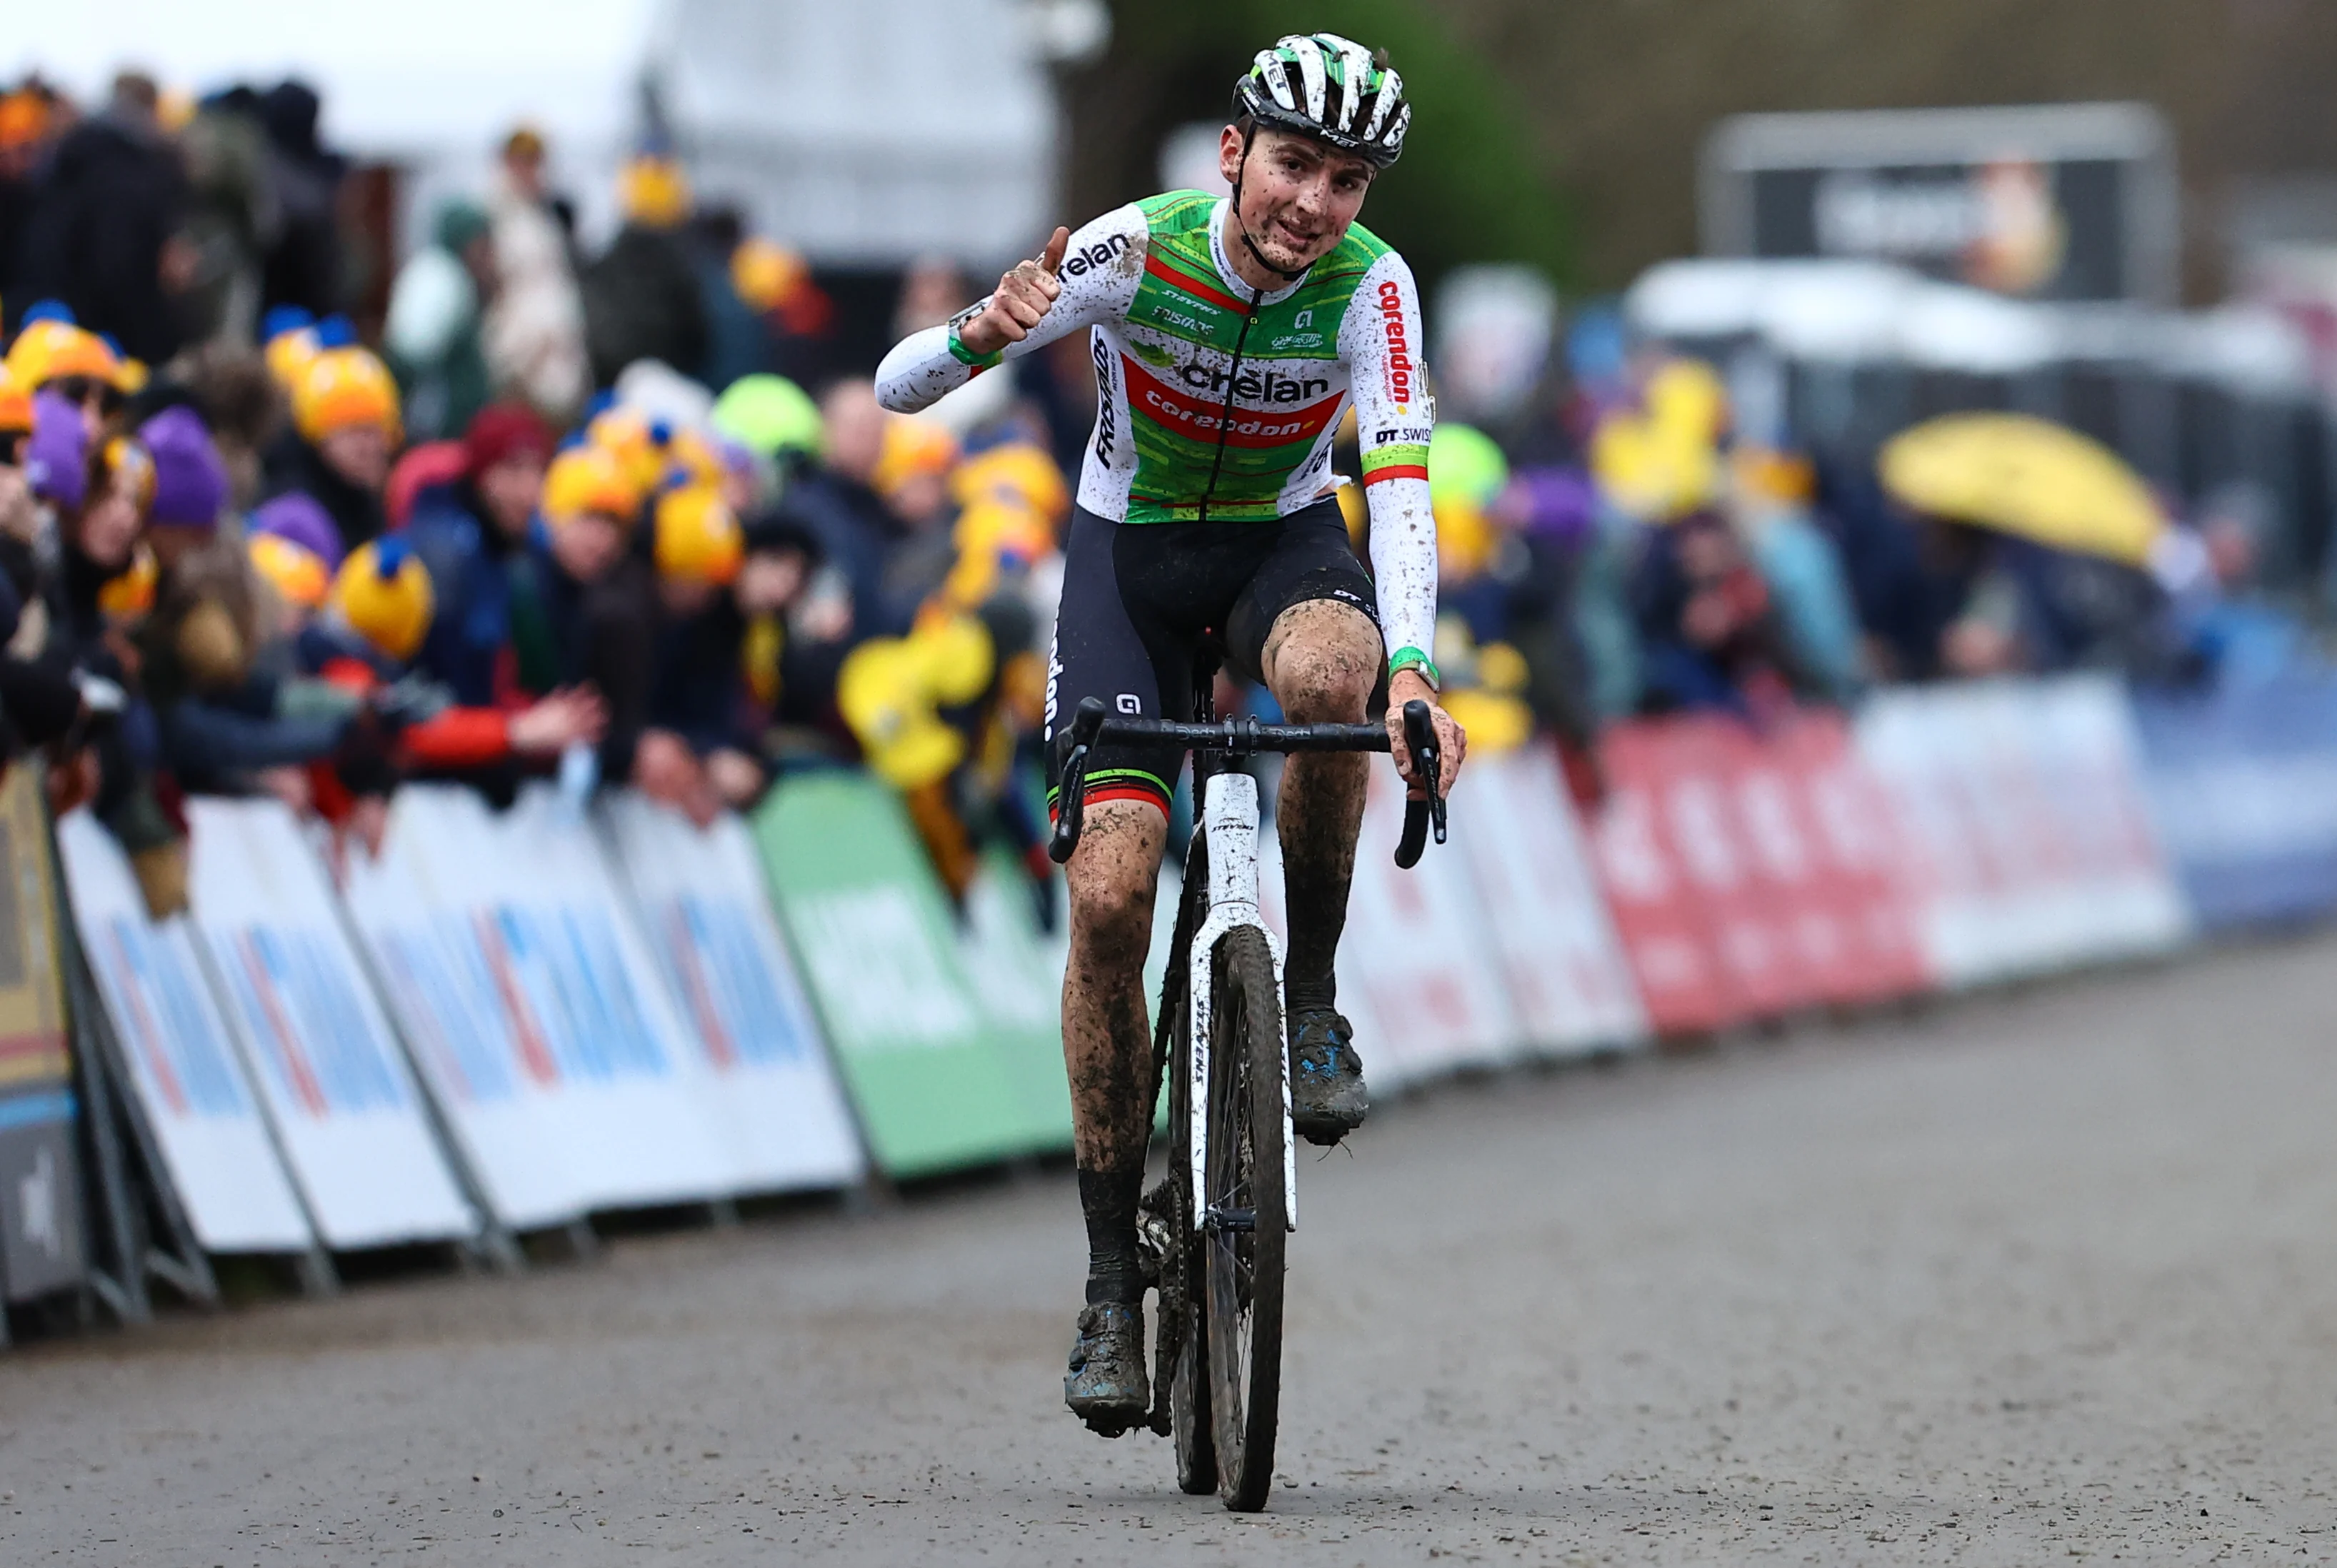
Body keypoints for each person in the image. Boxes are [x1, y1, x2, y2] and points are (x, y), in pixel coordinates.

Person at [874, 31, 1463, 1434]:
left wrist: (1418, 673)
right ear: (1233, 157)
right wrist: (982, 331)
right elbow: (899, 392)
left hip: (1277, 553)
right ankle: (1101, 1283)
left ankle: (1308, 1003)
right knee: (1112, 893)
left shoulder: (1371, 288)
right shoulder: (1133, 251)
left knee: (1335, 677)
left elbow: (1399, 487)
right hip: (1128, 568)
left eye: (1348, 178)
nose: (1316, 200)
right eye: (1297, 165)